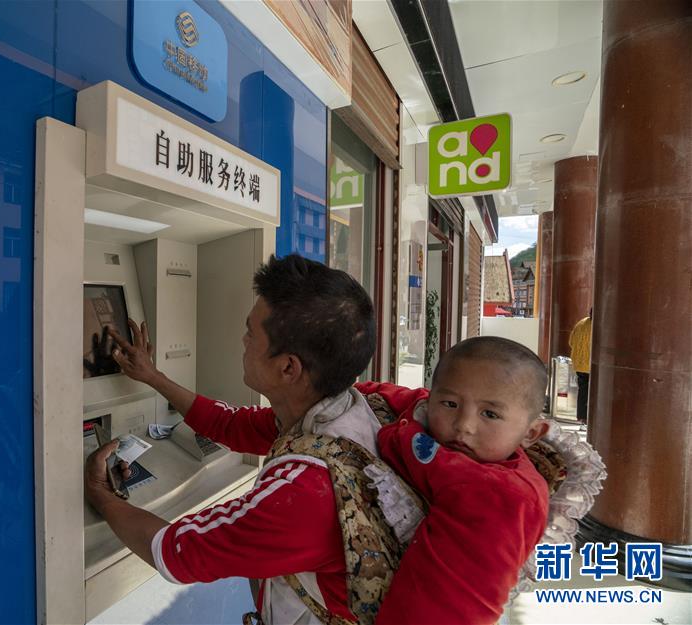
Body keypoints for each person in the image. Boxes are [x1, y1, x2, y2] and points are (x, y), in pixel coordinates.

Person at [85, 254, 377, 624]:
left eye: (251, 333)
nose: (243, 340)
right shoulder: (338, 415)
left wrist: (100, 493)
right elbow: (230, 425)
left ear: (288, 367)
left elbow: (177, 552)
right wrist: (152, 376)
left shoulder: (303, 495)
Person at [359, 336, 551, 625]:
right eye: (450, 403)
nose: (464, 425)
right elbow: (397, 395)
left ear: (531, 433)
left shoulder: (501, 500)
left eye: (490, 414)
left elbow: (444, 608)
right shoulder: (429, 415)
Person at [569, 310, 593, 424]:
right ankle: (589, 418)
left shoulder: (580, 323)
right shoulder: (597, 326)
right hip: (589, 365)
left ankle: (581, 417)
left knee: (582, 390)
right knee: (592, 392)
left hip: (578, 363)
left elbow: (571, 342)